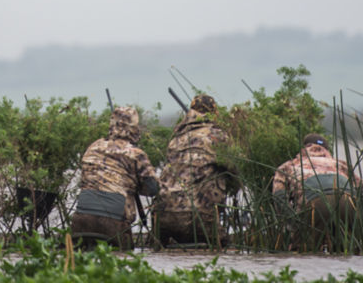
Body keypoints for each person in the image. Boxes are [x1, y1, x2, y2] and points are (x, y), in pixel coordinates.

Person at [152, 94, 239, 247]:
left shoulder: (175, 139)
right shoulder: (218, 135)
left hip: (164, 218)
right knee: (225, 246)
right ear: (213, 113)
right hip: (200, 218)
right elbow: (234, 170)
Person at [71, 106, 159, 250]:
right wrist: (134, 184)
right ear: (134, 128)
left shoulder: (93, 147)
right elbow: (153, 189)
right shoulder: (135, 153)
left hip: (81, 219)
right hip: (113, 223)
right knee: (124, 259)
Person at [272, 133, 363, 251]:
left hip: (315, 204)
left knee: (305, 252)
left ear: (304, 148)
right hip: (347, 202)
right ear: (326, 149)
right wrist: (358, 217)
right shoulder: (341, 164)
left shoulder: (289, 165)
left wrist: (294, 224)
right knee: (347, 250)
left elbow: (279, 196)